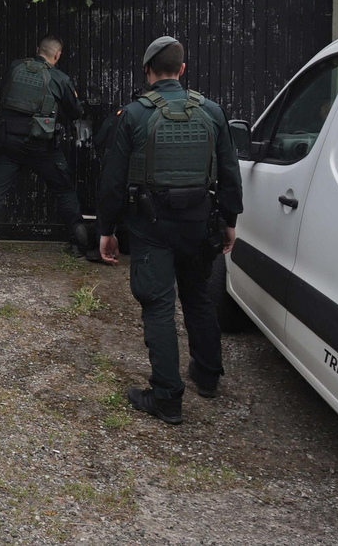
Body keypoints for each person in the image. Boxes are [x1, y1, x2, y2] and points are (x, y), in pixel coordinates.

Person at [96, 36, 243, 426]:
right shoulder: (212, 112)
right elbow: (230, 172)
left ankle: (166, 397)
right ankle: (207, 377)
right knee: (198, 298)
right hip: (200, 224)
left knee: (158, 306)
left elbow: (112, 180)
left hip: (151, 226)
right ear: (182, 69)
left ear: (147, 71)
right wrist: (230, 222)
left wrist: (106, 230)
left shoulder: (133, 115)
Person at [0, 35, 90, 263]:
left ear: (37, 49)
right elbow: (75, 112)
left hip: (10, 142)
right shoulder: (59, 78)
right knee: (64, 190)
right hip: (42, 145)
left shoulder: (15, 67)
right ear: (57, 55)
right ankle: (80, 243)